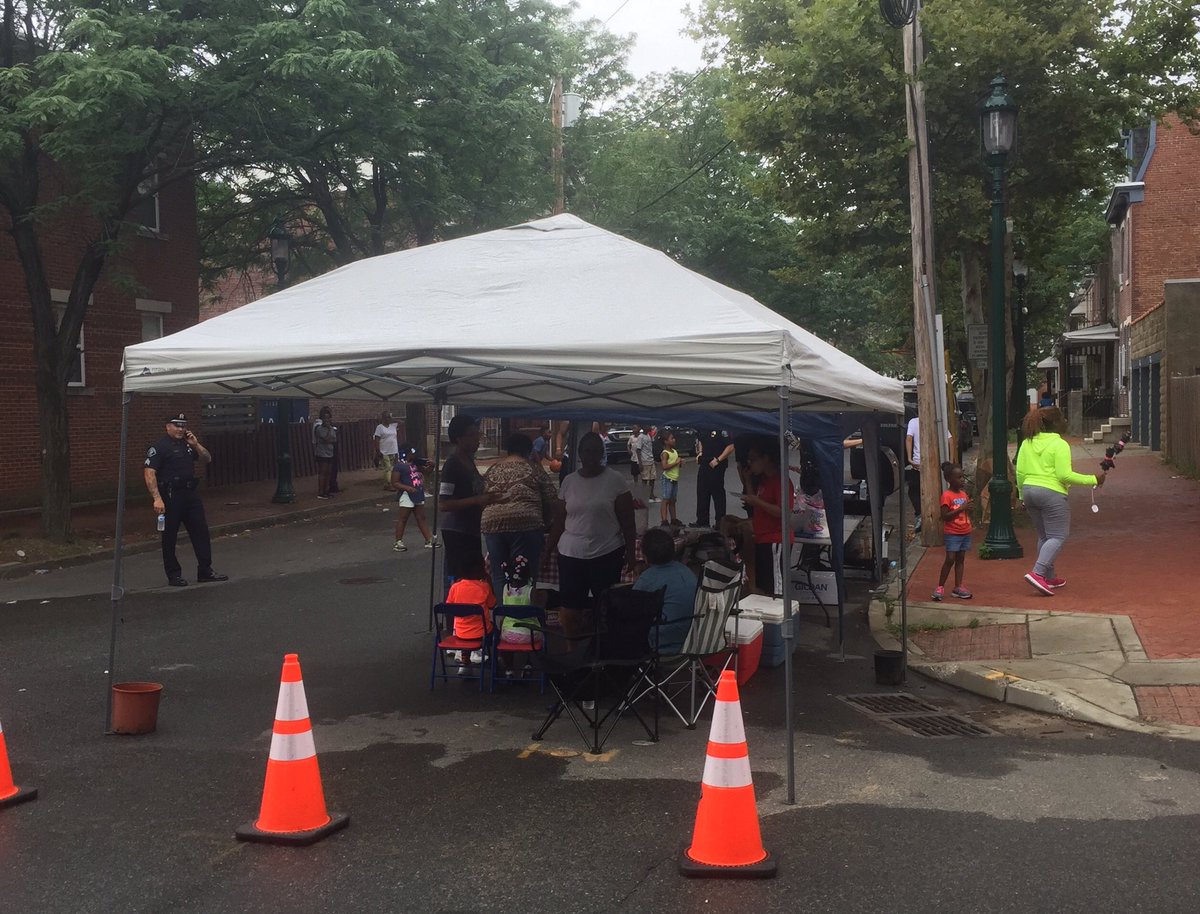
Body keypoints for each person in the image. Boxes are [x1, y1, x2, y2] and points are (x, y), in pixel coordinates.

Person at [546, 431, 637, 636]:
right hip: (571, 555)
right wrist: (548, 550)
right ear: (580, 453)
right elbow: (559, 521)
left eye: (596, 451)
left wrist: (631, 552)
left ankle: (602, 648)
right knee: (570, 608)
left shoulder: (615, 480)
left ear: (602, 454)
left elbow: (628, 522)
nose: (591, 456)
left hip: (607, 553)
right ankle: (572, 647)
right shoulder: (569, 481)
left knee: (604, 608)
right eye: (587, 451)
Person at [1016, 406, 1104, 595]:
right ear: (1055, 423)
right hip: (1051, 493)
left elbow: (1020, 472)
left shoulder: (1027, 442)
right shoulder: (1060, 444)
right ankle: (1038, 573)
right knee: (1057, 536)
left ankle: (1049, 577)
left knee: (1044, 536)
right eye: (1063, 418)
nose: (1066, 421)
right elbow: (1064, 475)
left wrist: (1022, 496)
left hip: (1029, 490)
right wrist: (1093, 479)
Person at [143, 413, 228, 587]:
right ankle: (174, 575)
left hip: (190, 494)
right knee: (169, 537)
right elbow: (149, 473)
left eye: (183, 426)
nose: (181, 429)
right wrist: (157, 498)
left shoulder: (188, 445)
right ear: (168, 426)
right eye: (177, 425)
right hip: (171, 496)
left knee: (201, 532)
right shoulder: (159, 447)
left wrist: (196, 444)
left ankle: (205, 570)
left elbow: (207, 458)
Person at [481, 432, 558, 602]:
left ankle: (503, 614)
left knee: (499, 574)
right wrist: (545, 523)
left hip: (492, 524)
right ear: (528, 451)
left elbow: (481, 495)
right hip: (526, 524)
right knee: (523, 574)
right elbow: (551, 499)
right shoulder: (533, 469)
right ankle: (521, 613)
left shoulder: (493, 469)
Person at [439, 414, 495, 581]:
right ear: (459, 438)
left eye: (477, 434)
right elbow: (444, 504)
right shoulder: (452, 465)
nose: (477, 439)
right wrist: (477, 500)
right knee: (461, 578)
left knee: (474, 576)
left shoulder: (469, 461)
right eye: (471, 435)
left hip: (471, 528)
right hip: (457, 530)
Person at [738, 442, 794, 596]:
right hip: (762, 538)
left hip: (776, 539)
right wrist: (748, 481)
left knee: (775, 588)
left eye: (753, 460)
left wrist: (757, 502)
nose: (750, 464)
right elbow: (755, 501)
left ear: (766, 458)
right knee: (764, 584)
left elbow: (783, 512)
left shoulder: (780, 481)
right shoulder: (764, 480)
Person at [633, 528, 698, 654]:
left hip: (661, 643)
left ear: (645, 556)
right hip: (691, 640)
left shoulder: (647, 579)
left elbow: (631, 611)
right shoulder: (686, 572)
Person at [932, 462, 973, 601]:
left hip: (965, 531)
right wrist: (961, 508)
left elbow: (965, 511)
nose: (962, 480)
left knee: (961, 559)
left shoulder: (963, 494)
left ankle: (958, 586)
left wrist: (968, 509)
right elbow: (945, 516)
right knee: (950, 559)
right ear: (949, 479)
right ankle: (940, 587)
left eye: (963, 477)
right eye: (958, 477)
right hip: (952, 533)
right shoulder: (947, 496)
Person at [447, 553, 496, 667]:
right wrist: (489, 582)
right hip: (481, 633)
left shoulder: (455, 587)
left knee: (466, 629)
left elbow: (449, 607)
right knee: (496, 633)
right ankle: (497, 661)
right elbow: (492, 605)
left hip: (460, 633)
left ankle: (465, 660)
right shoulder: (484, 587)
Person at [392, 447, 436, 551]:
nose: (413, 454)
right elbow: (395, 482)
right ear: (407, 454)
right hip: (406, 494)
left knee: (421, 517)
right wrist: (407, 488)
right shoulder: (399, 466)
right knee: (403, 518)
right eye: (412, 453)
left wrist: (432, 466)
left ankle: (429, 540)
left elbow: (426, 472)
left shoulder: (416, 464)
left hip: (418, 493)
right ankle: (398, 542)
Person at [693, 428, 734, 528]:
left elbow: (731, 446)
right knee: (702, 492)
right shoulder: (703, 427)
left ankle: (720, 522)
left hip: (717, 465)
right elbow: (700, 440)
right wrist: (700, 452)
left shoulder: (721, 428)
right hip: (704, 463)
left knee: (717, 494)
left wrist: (719, 460)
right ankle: (702, 521)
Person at [658, 431, 682, 527]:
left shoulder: (674, 451)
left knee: (673, 500)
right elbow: (664, 466)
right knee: (666, 499)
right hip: (668, 479)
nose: (674, 440)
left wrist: (679, 463)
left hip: (674, 478)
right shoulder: (665, 453)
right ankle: (664, 520)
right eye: (671, 438)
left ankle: (673, 519)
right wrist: (676, 463)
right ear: (666, 441)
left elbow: (675, 465)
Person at [904, 414, 923, 533]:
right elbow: (950, 440)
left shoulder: (913, 422)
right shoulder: (938, 421)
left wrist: (909, 458)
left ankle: (920, 515)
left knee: (913, 491)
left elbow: (909, 439)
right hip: (933, 463)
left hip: (918, 463)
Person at [312, 407, 336, 499]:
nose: (327, 420)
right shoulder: (319, 428)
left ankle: (326, 490)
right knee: (323, 472)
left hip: (330, 452)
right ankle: (321, 492)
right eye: (325, 418)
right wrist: (329, 431)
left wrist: (330, 434)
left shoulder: (331, 428)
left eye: (328, 418)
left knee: (329, 472)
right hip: (322, 453)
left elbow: (334, 439)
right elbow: (326, 439)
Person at [374, 411, 400, 491]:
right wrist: (378, 451)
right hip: (384, 451)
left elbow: (402, 422)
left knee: (393, 468)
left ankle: (388, 483)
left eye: (389, 417)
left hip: (394, 450)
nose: (388, 419)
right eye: (387, 417)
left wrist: (393, 419)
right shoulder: (380, 427)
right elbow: (376, 439)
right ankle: (389, 484)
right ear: (383, 418)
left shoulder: (393, 426)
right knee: (388, 468)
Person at [631, 425, 657, 501]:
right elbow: (638, 450)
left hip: (651, 460)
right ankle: (644, 496)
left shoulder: (649, 435)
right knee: (645, 479)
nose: (650, 427)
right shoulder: (641, 437)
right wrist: (640, 463)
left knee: (652, 478)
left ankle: (651, 494)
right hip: (644, 461)